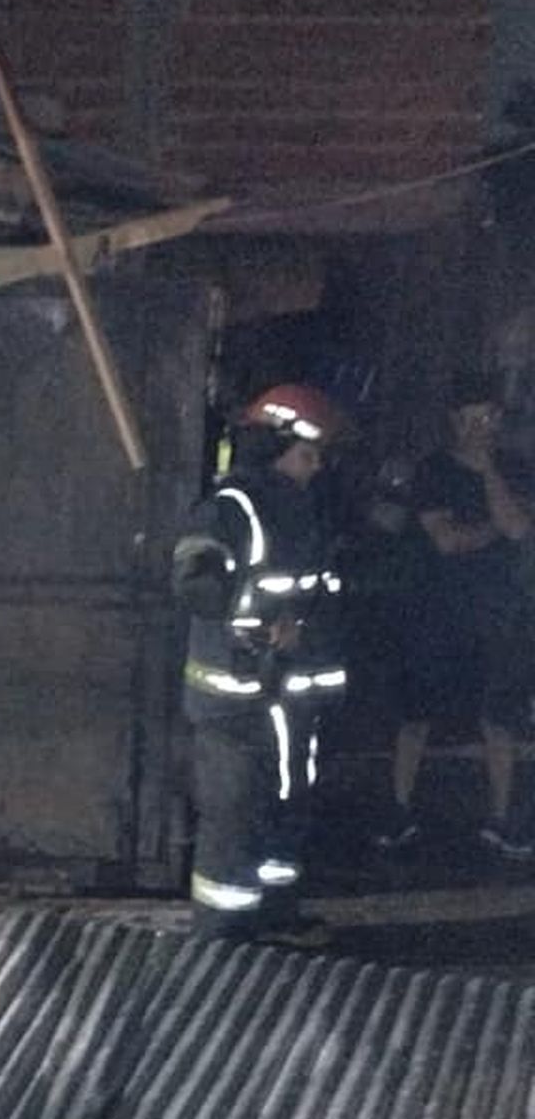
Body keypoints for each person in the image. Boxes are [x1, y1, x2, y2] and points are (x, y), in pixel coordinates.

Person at [172, 382, 349, 940]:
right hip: (235, 705)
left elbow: (317, 594)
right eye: (306, 454)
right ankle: (220, 938)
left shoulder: (303, 509)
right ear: (272, 445)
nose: (315, 468)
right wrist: (255, 634)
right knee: (232, 817)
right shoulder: (231, 508)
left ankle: (276, 916)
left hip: (290, 704)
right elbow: (195, 581)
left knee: (285, 805)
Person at [375, 371, 534, 859]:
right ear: (453, 422)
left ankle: (502, 818)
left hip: (497, 611)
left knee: (498, 717)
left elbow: (518, 528)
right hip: (436, 611)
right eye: (469, 420)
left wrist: (489, 475)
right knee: (417, 715)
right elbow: (448, 541)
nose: (478, 429)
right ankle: (399, 811)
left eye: (486, 418)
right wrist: (493, 530)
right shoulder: (433, 471)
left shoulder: (515, 468)